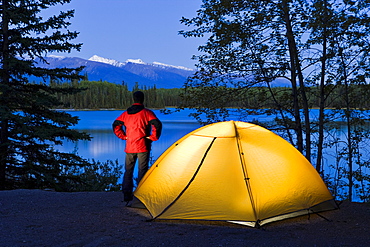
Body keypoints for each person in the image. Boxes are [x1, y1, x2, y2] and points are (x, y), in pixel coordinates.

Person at [112, 91, 162, 204]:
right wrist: (153, 137)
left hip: (130, 146)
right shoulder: (147, 113)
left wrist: (123, 136)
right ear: (142, 99)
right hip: (143, 146)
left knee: (128, 170)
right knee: (142, 171)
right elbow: (157, 125)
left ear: (133, 99)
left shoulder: (125, 114)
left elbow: (115, 125)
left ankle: (127, 194)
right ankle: (141, 195)